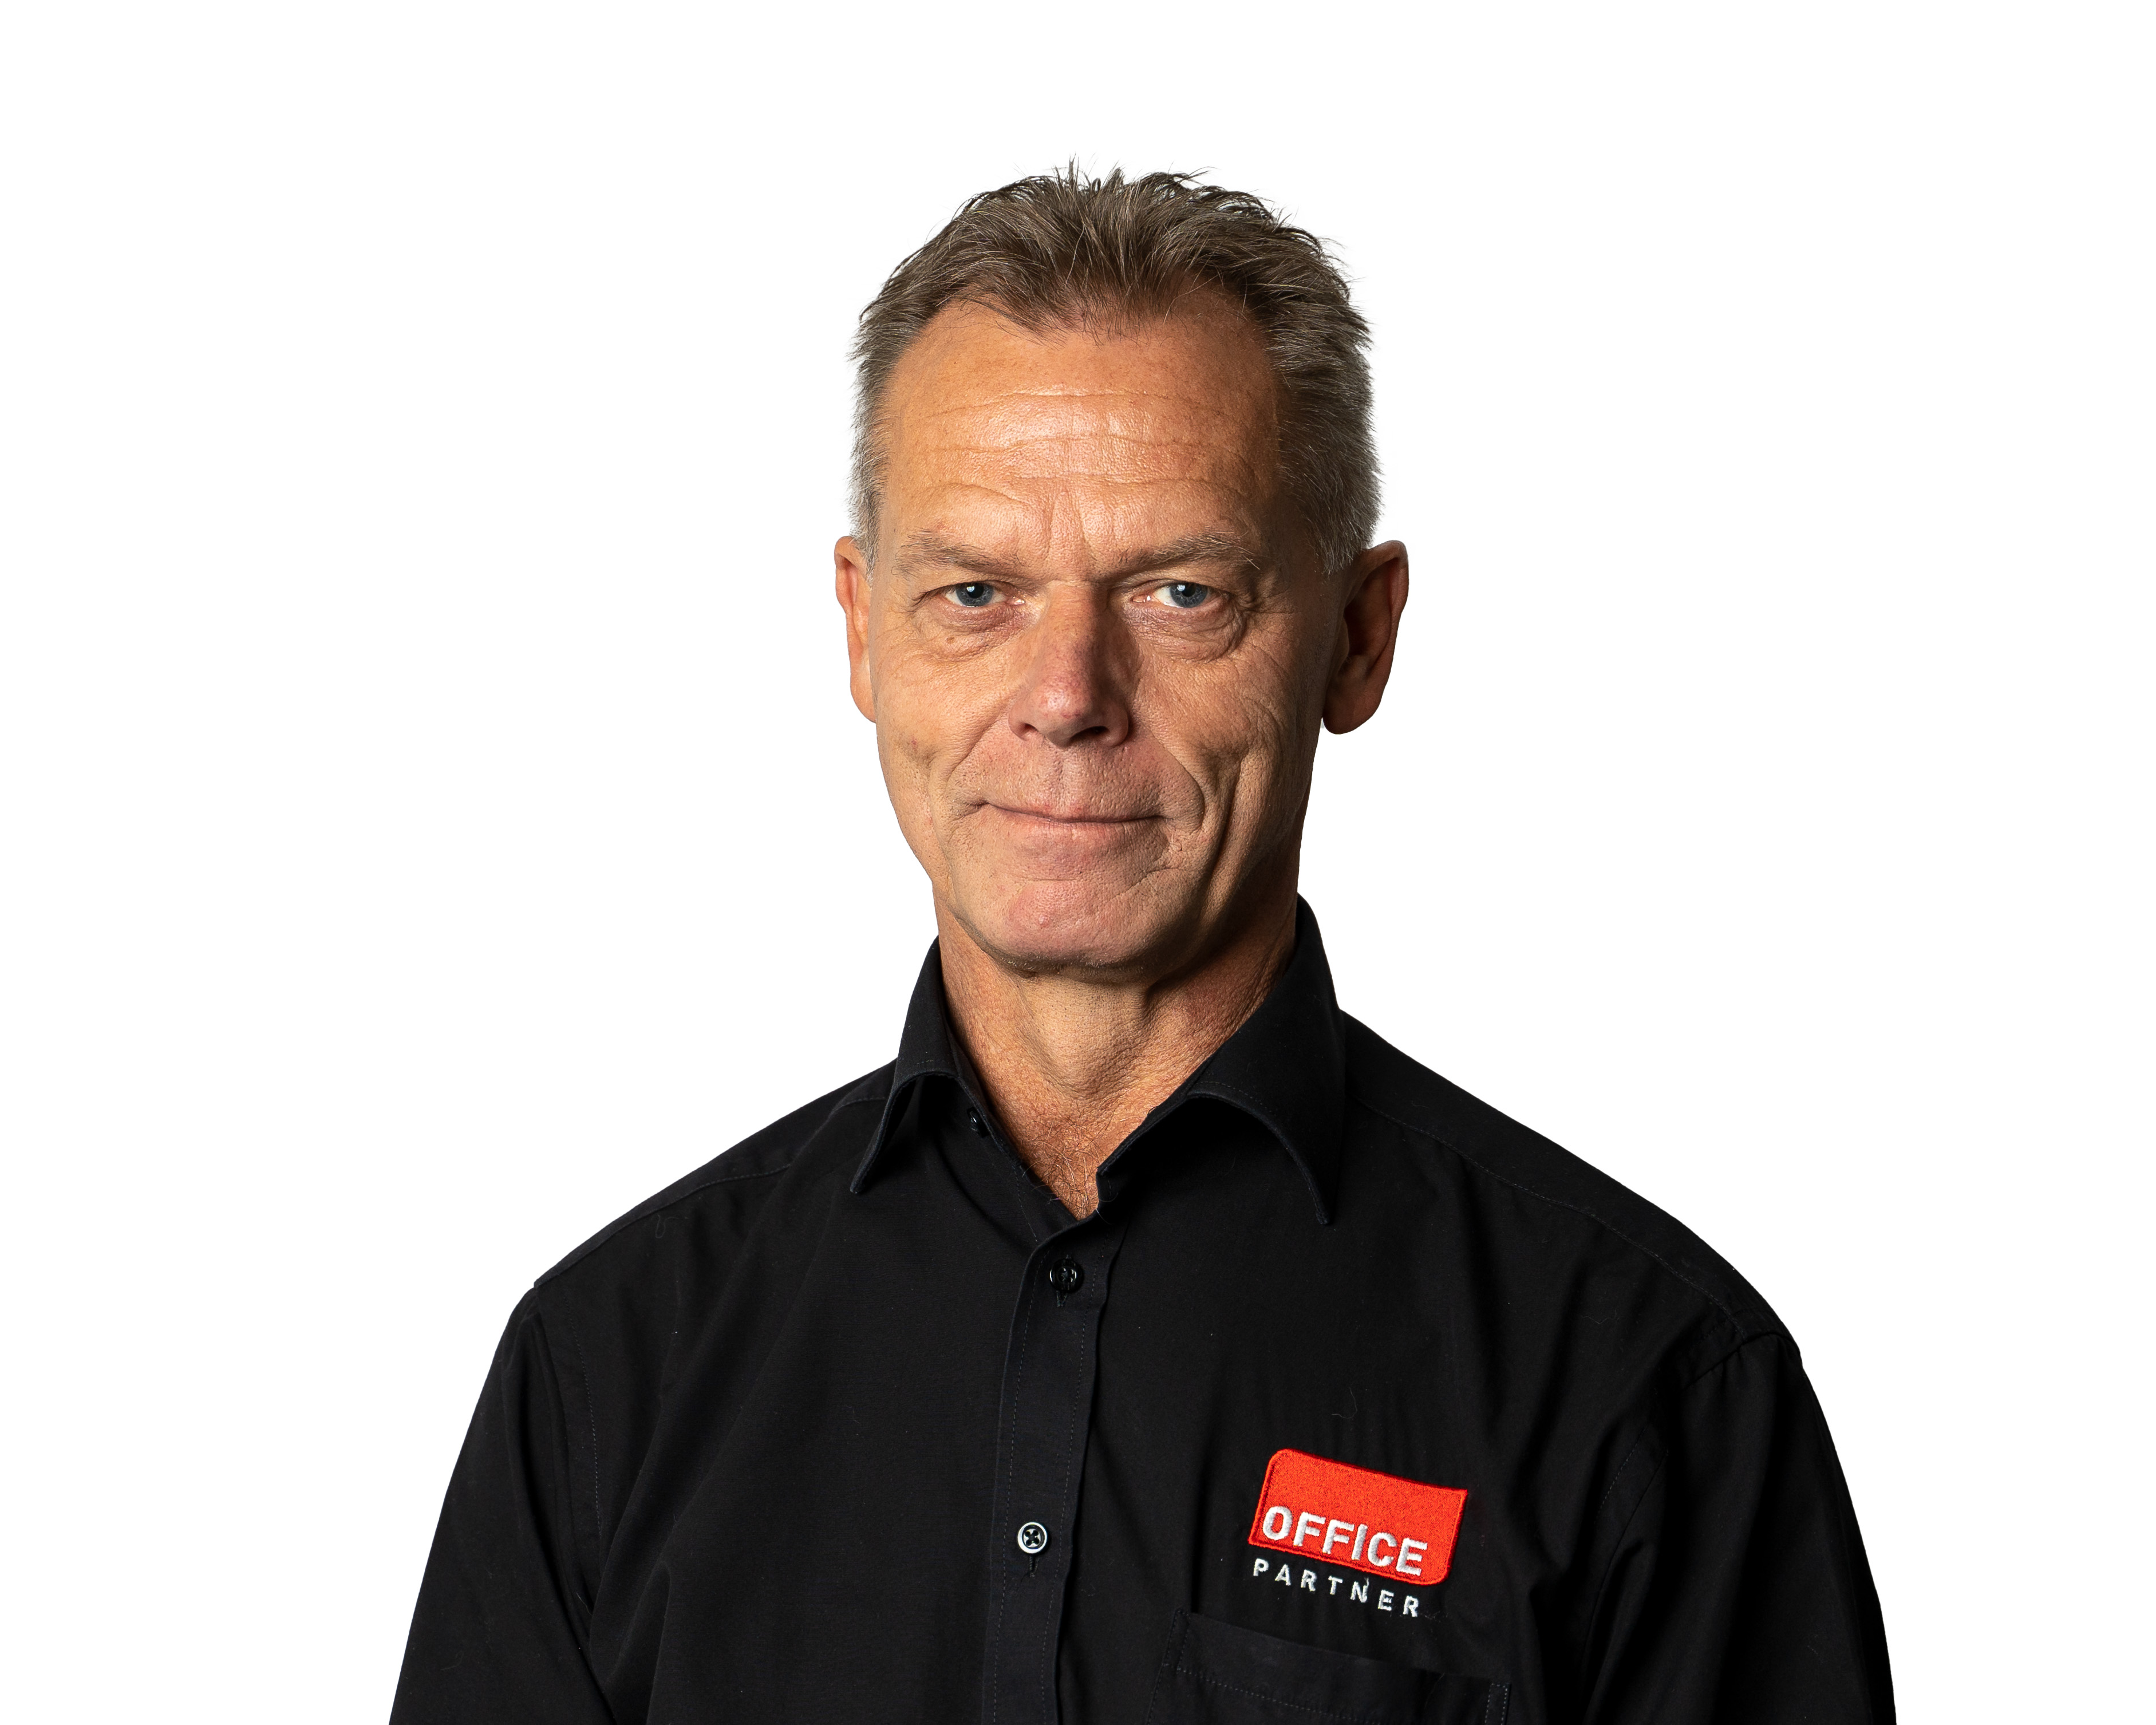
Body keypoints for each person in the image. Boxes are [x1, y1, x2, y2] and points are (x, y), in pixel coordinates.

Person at [390, 168, 1894, 1724]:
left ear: (1358, 635)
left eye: (1182, 592)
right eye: (975, 592)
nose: (1066, 695)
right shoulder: (609, 1370)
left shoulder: (1647, 1382)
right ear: (863, 628)